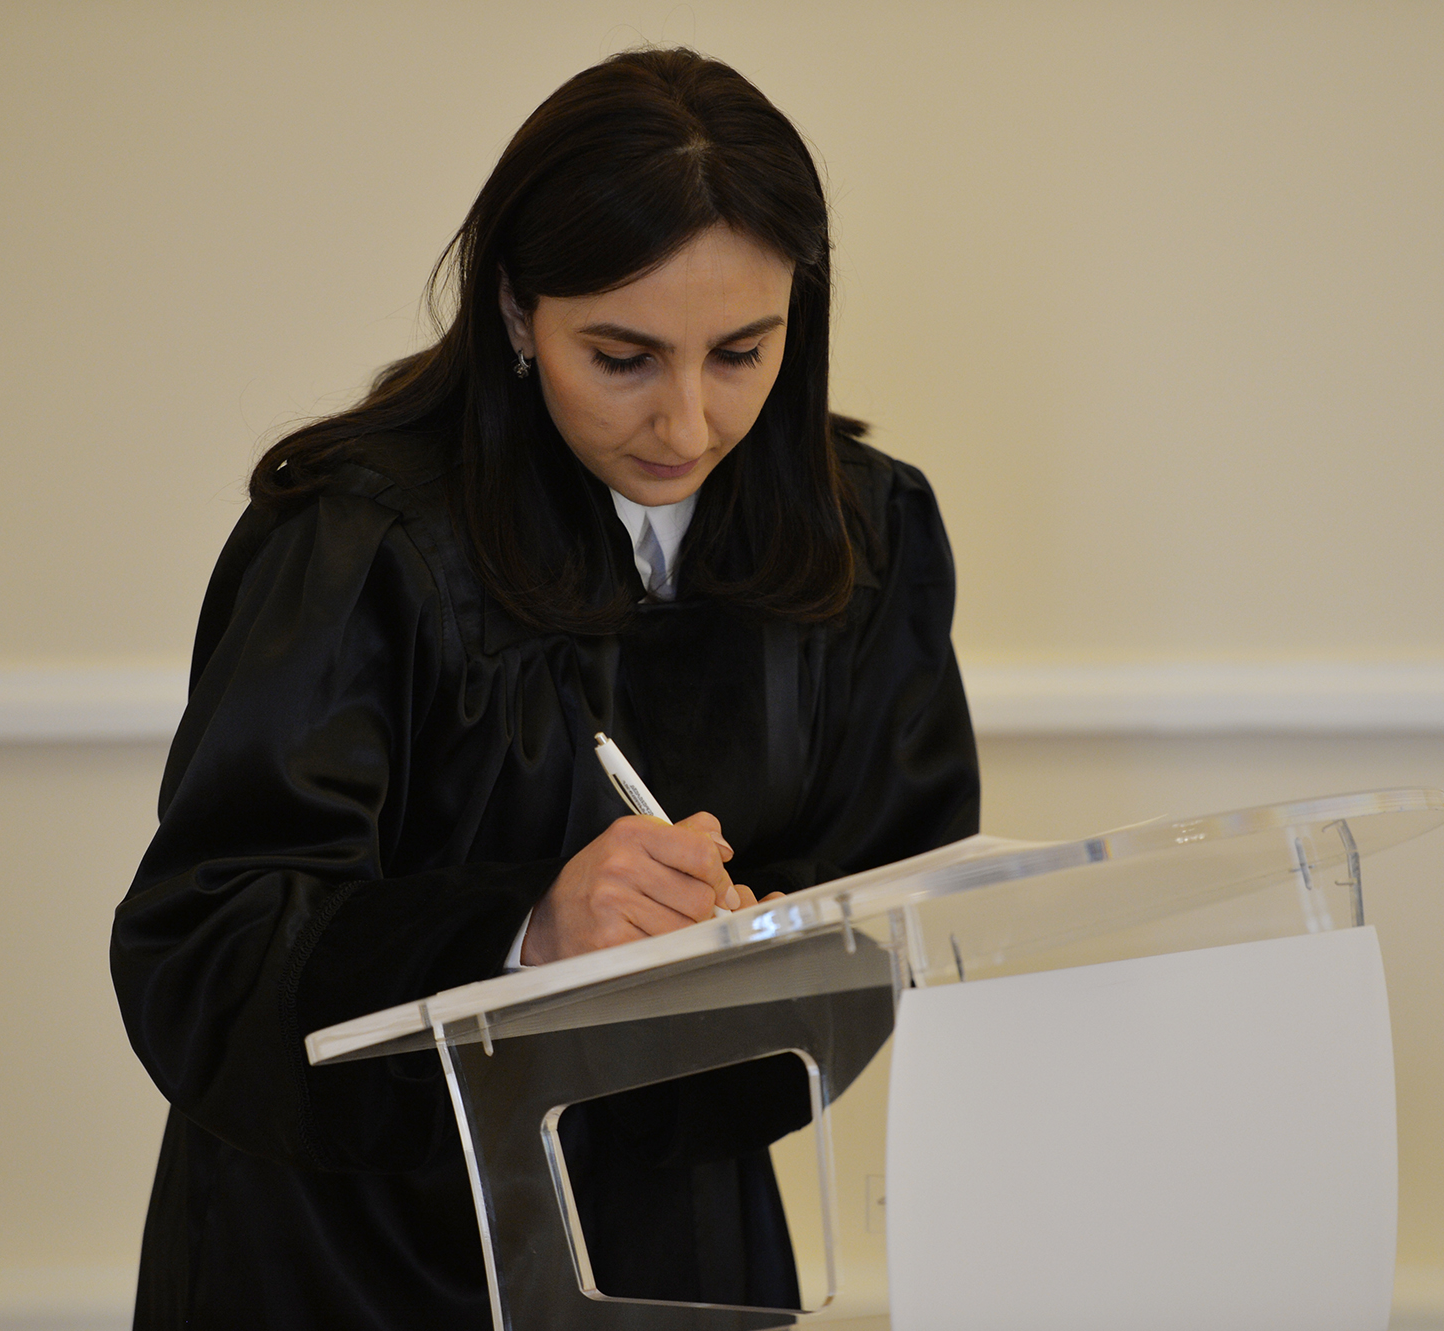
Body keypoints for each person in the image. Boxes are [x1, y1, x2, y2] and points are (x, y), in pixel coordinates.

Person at [110, 47, 978, 1330]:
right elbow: (209, 951)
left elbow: (892, 892)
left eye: (742, 352)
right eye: (621, 357)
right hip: (351, 1256)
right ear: (516, 312)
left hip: (678, 1249)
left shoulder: (867, 531)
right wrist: (525, 935)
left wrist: (757, 948)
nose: (686, 425)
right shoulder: (356, 541)